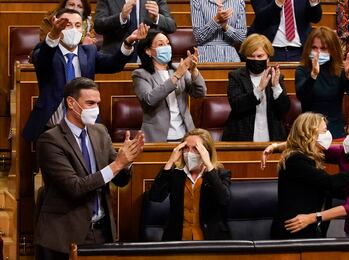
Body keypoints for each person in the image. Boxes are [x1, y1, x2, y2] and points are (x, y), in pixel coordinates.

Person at [34, 77, 145, 259]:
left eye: (97, 103)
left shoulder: (100, 131)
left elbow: (120, 179)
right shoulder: (50, 140)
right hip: (64, 235)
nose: (95, 109)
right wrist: (117, 163)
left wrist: (127, 162)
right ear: (71, 103)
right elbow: (75, 188)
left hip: (102, 231)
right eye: (90, 103)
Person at [22, 8, 149, 141]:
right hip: (52, 130)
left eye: (77, 25)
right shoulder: (45, 51)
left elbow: (113, 64)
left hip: (86, 127)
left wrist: (128, 42)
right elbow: (43, 58)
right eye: (67, 25)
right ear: (57, 27)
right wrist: (53, 35)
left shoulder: (89, 52)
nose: (73, 30)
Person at [262, 112, 349, 239]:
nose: (328, 134)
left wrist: (275, 147)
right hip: (294, 230)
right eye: (324, 130)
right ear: (310, 134)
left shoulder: (308, 156)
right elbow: (330, 183)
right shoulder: (296, 160)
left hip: (309, 230)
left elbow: (328, 188)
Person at [149, 128, 231, 240]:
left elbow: (223, 200)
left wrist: (209, 166)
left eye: (195, 149)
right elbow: (155, 196)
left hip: (210, 240)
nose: (189, 153)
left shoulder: (220, 174)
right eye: (186, 148)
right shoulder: (175, 173)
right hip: (178, 239)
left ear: (206, 151)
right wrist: (170, 162)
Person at [132, 29, 206, 142]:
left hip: (185, 134)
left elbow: (200, 93)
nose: (166, 47)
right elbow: (149, 100)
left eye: (167, 43)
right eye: (161, 44)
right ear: (148, 51)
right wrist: (176, 76)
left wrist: (194, 71)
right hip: (158, 137)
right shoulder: (141, 74)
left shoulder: (177, 67)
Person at [222, 33, 290, 141]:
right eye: (251, 56)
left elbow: (284, 110)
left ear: (268, 58)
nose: (255, 59)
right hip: (242, 136)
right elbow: (236, 105)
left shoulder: (276, 77)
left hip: (272, 136)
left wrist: (276, 87)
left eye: (260, 56)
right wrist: (258, 90)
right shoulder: (236, 76)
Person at [296, 26, 349, 139]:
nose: (318, 52)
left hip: (335, 130)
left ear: (332, 50)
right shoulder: (303, 70)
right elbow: (302, 96)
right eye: (314, 48)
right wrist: (313, 75)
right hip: (309, 131)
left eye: (323, 48)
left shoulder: (339, 70)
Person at [94, 0, 176, 60]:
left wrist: (157, 18)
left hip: (148, 59)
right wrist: (121, 17)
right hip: (114, 58)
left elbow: (171, 26)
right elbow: (98, 26)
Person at [248, 0, 322, 61]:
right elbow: (261, 18)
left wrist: (314, 2)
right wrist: (278, 3)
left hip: (300, 51)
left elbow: (315, 18)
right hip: (271, 51)